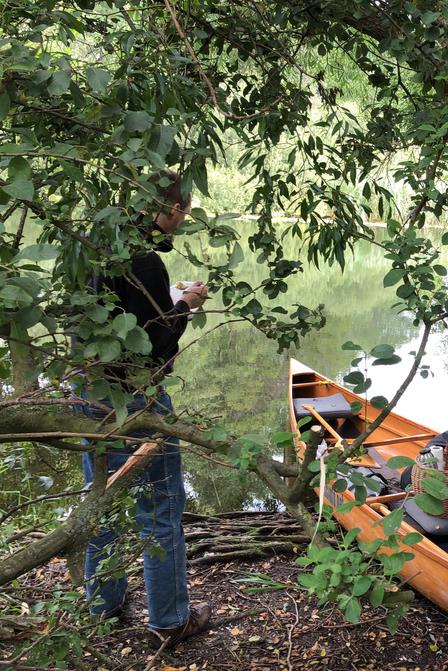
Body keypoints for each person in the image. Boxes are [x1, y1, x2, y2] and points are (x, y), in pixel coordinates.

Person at [75, 171, 212, 647]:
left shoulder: (93, 241)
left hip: (89, 392)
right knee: (160, 506)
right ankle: (170, 621)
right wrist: (187, 305)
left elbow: (114, 322)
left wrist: (164, 307)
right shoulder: (146, 261)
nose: (181, 221)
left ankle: (103, 605)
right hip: (137, 398)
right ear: (169, 209)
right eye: (182, 212)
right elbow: (153, 348)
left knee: (102, 498)